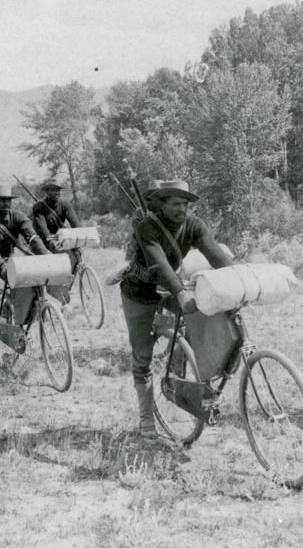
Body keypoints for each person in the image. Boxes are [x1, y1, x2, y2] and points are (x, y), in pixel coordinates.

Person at [119, 179, 232, 439]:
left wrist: (237, 278)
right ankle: (146, 419)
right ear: (161, 204)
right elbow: (158, 265)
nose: (183, 209)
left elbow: (215, 254)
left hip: (170, 286)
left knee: (205, 316)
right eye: (176, 204)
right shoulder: (147, 226)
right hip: (140, 291)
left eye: (186, 204)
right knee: (142, 356)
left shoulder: (193, 224)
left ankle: (183, 364)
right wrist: (180, 294)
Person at [0, 184, 49, 370]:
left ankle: (13, 322)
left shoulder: (18, 217)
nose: (5, 203)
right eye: (1, 200)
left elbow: (32, 238)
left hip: (6, 258)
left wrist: (47, 256)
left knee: (25, 286)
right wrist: (3, 267)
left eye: (8, 200)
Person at [31, 180, 82, 251]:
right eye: (53, 190)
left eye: (58, 190)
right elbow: (43, 228)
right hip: (44, 239)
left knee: (76, 253)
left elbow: (76, 224)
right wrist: (51, 242)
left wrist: (80, 236)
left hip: (59, 236)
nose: (57, 193)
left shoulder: (65, 204)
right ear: (47, 192)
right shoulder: (38, 207)